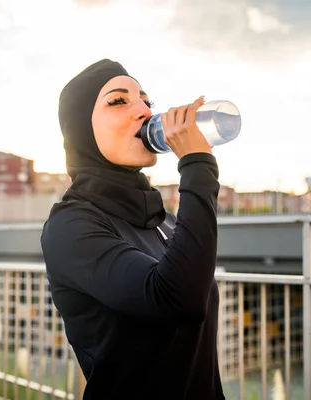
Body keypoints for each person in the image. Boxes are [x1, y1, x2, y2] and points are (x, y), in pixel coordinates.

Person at [41, 59, 224, 400]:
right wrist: (197, 165)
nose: (143, 110)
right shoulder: (70, 226)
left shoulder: (165, 221)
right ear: (82, 130)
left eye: (145, 100)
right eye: (118, 101)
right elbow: (177, 299)